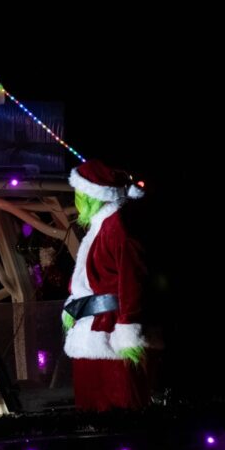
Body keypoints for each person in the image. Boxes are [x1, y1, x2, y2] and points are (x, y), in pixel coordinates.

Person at [62, 159, 150, 411]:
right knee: (93, 412)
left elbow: (132, 280)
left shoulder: (117, 227)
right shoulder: (101, 225)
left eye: (78, 193)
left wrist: (128, 328)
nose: (76, 200)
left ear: (90, 194)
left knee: (117, 409)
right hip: (92, 331)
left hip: (110, 335)